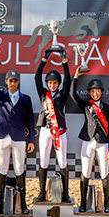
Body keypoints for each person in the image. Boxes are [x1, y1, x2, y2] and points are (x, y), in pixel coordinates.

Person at [0, 63, 35, 215]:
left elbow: (31, 121)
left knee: (20, 170)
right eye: (10, 80)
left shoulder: (26, 99)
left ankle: (23, 204)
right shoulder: (1, 96)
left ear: (18, 82)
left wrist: (31, 139)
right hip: (2, 137)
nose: (13, 83)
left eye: (15, 80)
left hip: (19, 138)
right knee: (2, 169)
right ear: (6, 81)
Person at [70, 67, 109, 213]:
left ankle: (107, 204)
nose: (95, 93)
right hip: (87, 141)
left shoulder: (108, 108)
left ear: (101, 92)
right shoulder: (86, 105)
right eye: (93, 91)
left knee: (104, 173)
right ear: (89, 93)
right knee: (86, 172)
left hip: (102, 142)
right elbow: (72, 94)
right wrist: (75, 77)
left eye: (98, 91)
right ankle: (83, 203)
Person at [34, 48, 71, 203]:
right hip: (45, 131)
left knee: (62, 162)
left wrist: (65, 62)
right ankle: (42, 192)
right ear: (47, 83)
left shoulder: (62, 94)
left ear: (58, 84)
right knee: (44, 160)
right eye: (50, 82)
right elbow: (37, 77)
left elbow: (68, 80)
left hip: (60, 131)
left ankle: (65, 193)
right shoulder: (43, 94)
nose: (53, 85)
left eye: (55, 83)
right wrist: (44, 60)